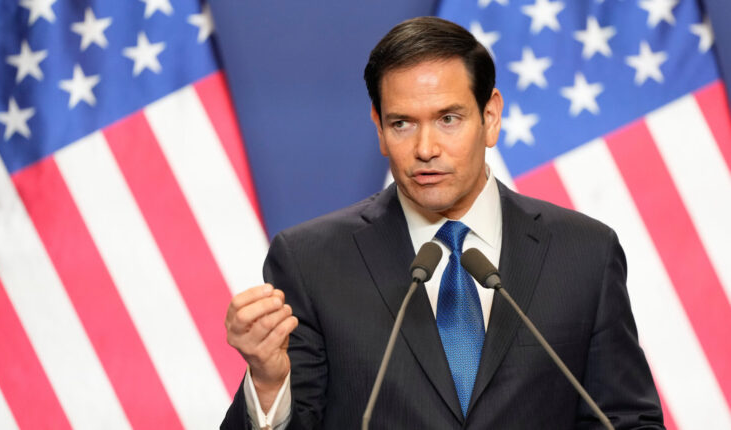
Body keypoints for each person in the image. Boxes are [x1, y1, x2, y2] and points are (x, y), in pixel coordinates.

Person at [221, 16, 664, 429]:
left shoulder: (584, 253)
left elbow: (627, 420)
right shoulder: (311, 262)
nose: (426, 148)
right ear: (379, 128)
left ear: (490, 117)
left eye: (448, 119)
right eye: (402, 123)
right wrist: (268, 384)